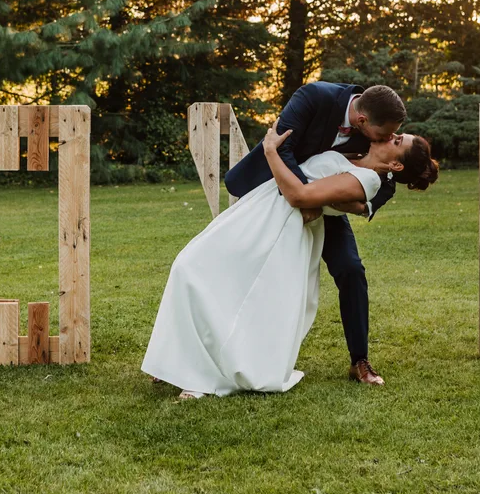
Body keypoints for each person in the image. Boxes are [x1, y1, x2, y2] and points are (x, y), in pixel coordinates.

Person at [141, 115, 438, 399]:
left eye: (399, 140)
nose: (392, 135)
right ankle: (178, 360)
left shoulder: (374, 181)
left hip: (292, 218)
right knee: (192, 267)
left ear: (396, 164)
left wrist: (276, 156)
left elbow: (318, 199)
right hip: (268, 204)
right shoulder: (356, 137)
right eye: (396, 132)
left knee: (345, 271)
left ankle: (358, 359)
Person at [225, 83, 409, 385]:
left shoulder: (379, 130)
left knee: (351, 269)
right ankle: (205, 350)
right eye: (385, 135)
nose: (389, 140)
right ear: (362, 121)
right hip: (272, 193)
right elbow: (281, 145)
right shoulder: (315, 96)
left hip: (326, 207)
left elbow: (379, 185)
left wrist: (330, 202)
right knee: (238, 265)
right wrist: (302, 196)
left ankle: (359, 361)